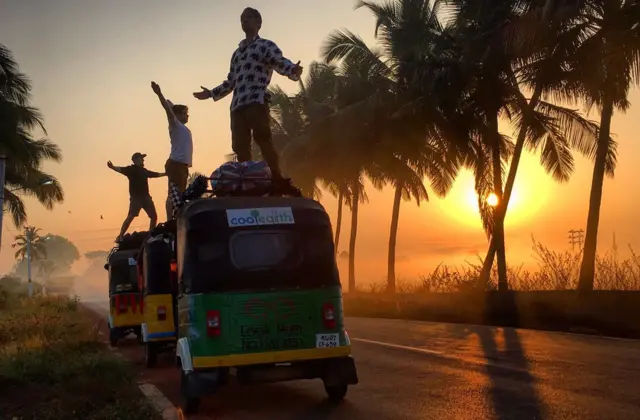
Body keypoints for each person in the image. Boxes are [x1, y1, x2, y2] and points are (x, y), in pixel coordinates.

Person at [192, 7, 303, 179]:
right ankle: (248, 180)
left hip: (256, 100)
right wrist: (211, 93)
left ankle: (276, 177)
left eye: (249, 17)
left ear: (258, 23)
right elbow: (230, 81)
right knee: (240, 146)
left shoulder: (265, 45)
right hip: (237, 105)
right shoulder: (237, 54)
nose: (244, 21)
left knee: (262, 138)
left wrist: (293, 70)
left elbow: (278, 61)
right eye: (242, 18)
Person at [151, 81, 193, 219]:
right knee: (173, 195)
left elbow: (171, 105)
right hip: (175, 164)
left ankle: (173, 219)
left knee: (178, 194)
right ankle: (170, 220)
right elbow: (168, 108)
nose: (188, 116)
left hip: (182, 166)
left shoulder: (182, 127)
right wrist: (159, 94)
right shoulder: (175, 124)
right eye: (185, 113)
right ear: (179, 115)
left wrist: (172, 105)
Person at [107, 153, 166, 242]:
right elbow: (121, 169)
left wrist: (165, 174)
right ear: (135, 160)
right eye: (141, 158)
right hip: (136, 198)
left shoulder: (144, 171)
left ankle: (150, 236)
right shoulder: (131, 169)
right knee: (131, 216)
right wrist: (112, 167)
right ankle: (120, 236)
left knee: (153, 216)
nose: (143, 160)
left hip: (146, 197)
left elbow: (154, 174)